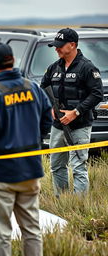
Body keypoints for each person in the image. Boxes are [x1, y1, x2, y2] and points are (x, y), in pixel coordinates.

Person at [0, 42, 52, 256]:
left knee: (1, 233)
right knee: (32, 230)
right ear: (12, 61)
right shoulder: (33, 87)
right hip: (30, 171)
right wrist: (34, 141)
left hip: (1, 175)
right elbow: (47, 118)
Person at [40, 28, 103, 197]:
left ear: (73, 45)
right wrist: (50, 109)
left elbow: (97, 94)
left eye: (60, 45)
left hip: (80, 126)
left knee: (78, 167)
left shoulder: (87, 68)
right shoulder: (53, 68)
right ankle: (62, 201)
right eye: (55, 45)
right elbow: (42, 88)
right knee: (57, 166)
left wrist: (75, 112)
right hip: (58, 126)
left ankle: (79, 204)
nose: (56, 49)